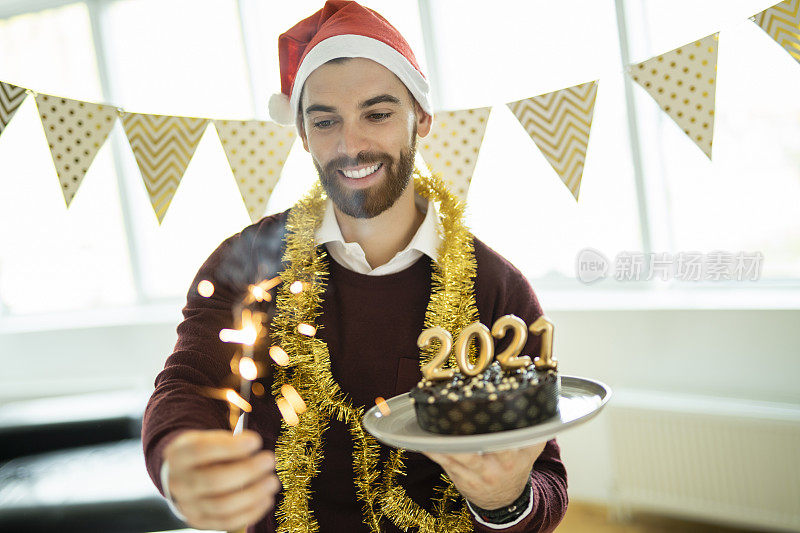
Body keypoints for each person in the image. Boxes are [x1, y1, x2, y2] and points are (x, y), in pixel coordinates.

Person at [142, 1, 568, 532]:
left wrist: (505, 500)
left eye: (378, 113)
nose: (351, 145)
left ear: (423, 118)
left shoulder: (497, 287)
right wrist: (178, 455)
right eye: (325, 121)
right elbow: (188, 384)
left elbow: (546, 479)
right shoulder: (245, 264)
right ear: (303, 135)